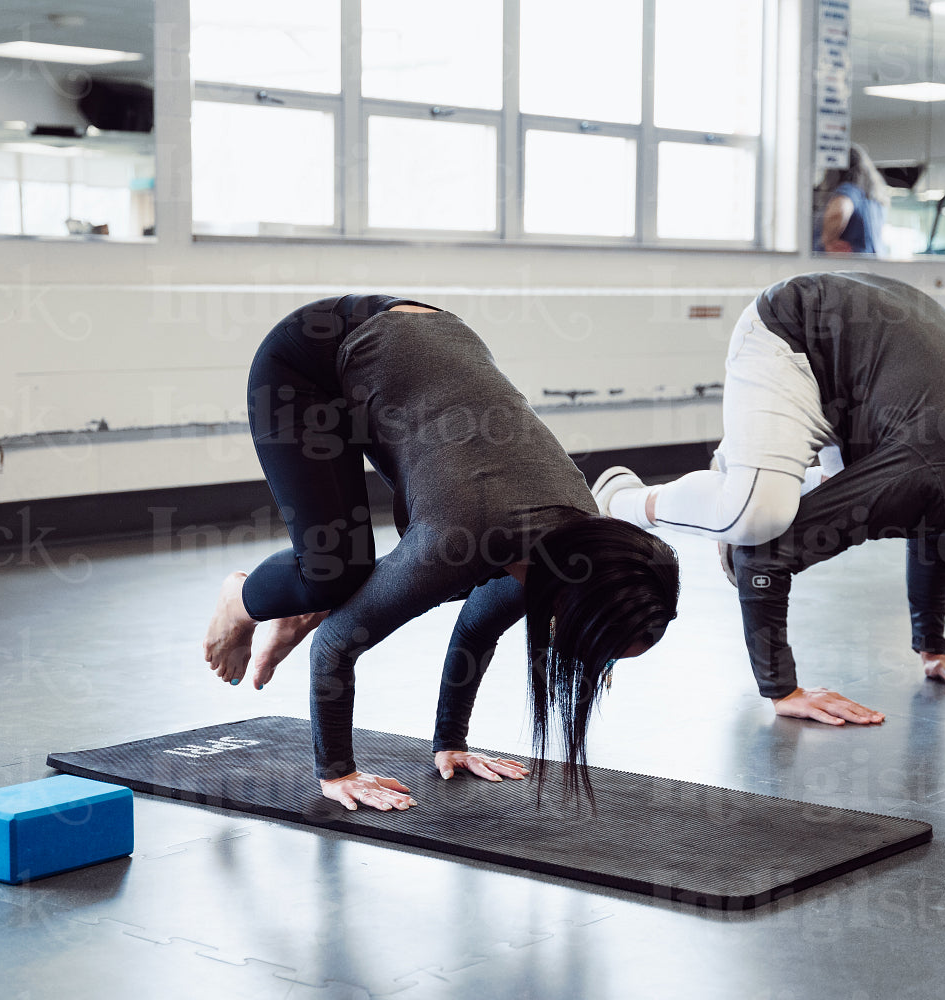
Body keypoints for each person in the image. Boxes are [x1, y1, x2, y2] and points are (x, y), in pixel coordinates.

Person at [203, 295, 680, 811]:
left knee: (344, 573)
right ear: (569, 606)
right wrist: (338, 772)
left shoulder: (573, 550)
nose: (593, 662)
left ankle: (301, 601)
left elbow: (478, 627)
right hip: (310, 357)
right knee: (331, 575)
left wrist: (451, 742)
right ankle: (245, 598)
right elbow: (338, 643)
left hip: (421, 362)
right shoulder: (464, 541)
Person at [594, 272, 945, 725]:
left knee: (821, 513)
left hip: (867, 395)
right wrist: (783, 688)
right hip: (795, 338)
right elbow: (765, 559)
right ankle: (622, 497)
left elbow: (937, 526)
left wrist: (933, 648)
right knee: (756, 522)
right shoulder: (938, 472)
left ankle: (748, 473)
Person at [814, 144, 889, 256]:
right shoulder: (874, 200)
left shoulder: (849, 189)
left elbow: (840, 210)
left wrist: (826, 241)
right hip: (869, 264)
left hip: (845, 267)